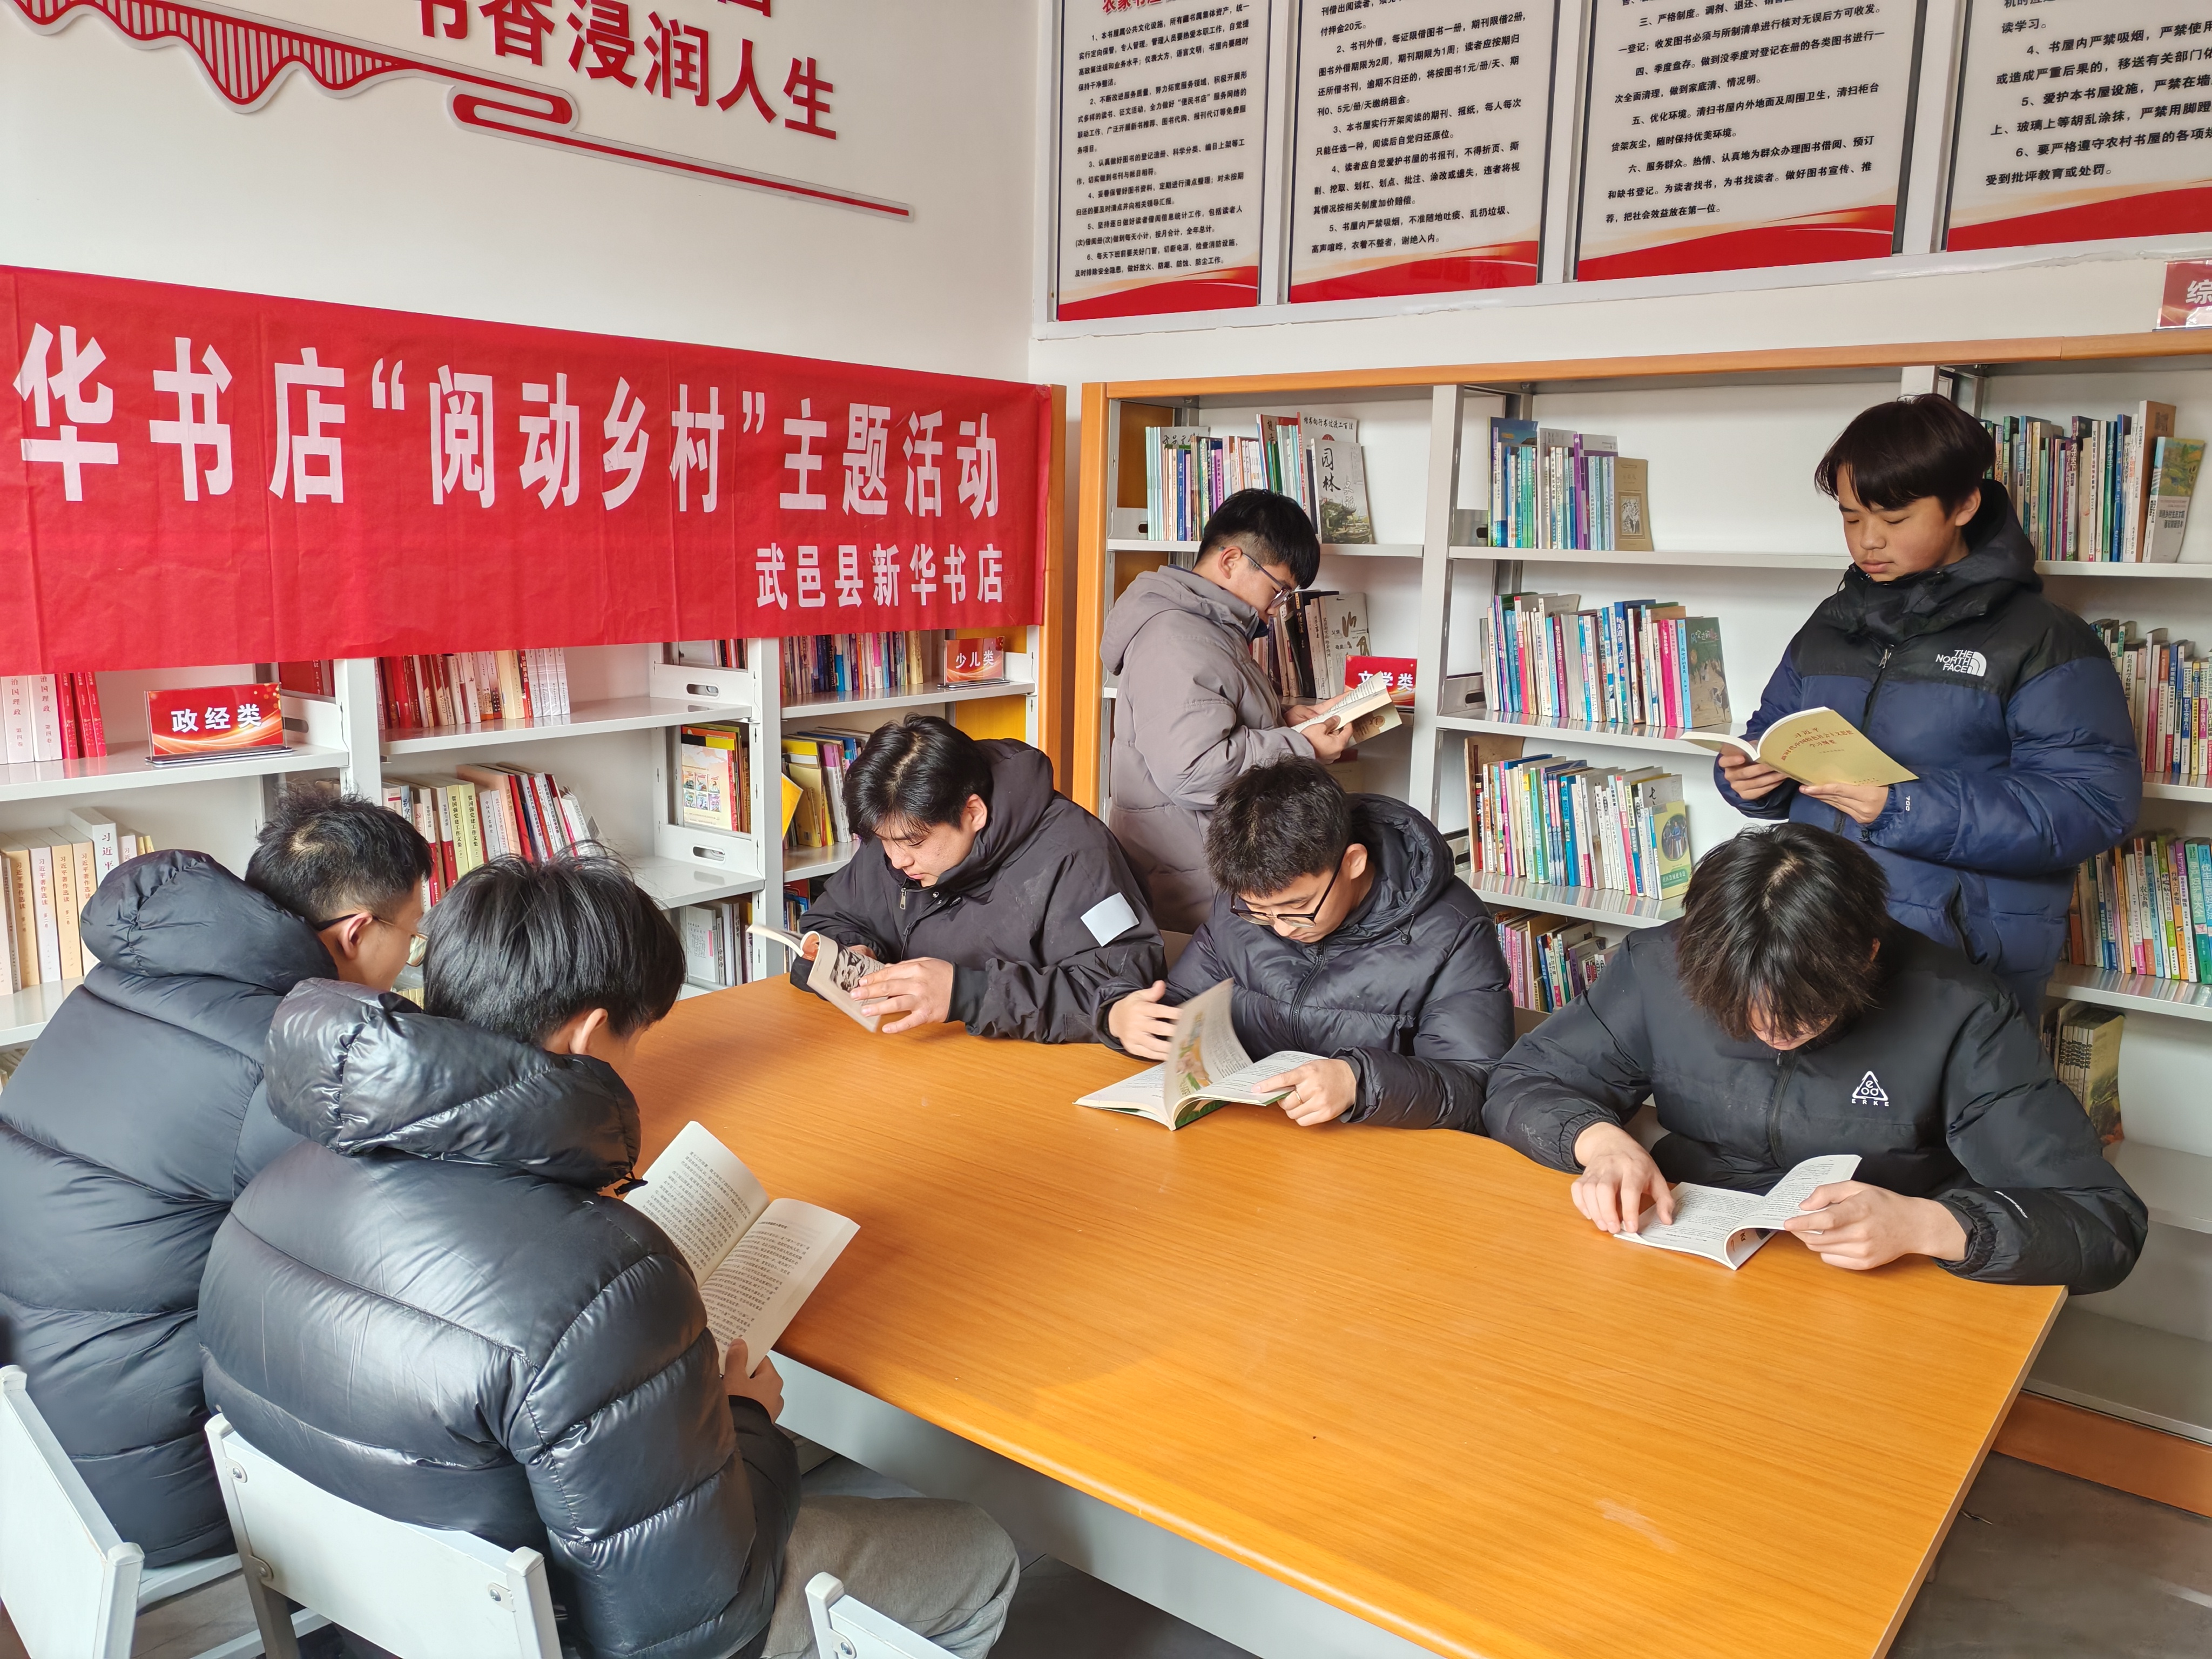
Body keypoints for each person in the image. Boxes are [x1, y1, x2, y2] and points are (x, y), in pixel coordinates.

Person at [200, 854, 1020, 1659]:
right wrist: (747, 1420)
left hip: (382, 1616)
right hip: (569, 1633)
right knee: (978, 1551)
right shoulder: (602, 1286)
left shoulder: (263, 1199)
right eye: (640, 1038)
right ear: (589, 1034)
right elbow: (692, 1623)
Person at [0, 791, 431, 1565]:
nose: (410, 956)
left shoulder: (124, 981)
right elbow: (398, 1237)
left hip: (32, 1441)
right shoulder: (283, 1056)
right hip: (146, 1473)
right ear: (357, 931)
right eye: (412, 933)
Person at [1482, 824, 2146, 1292]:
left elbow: (2103, 1223)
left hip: (1878, 1276)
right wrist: (1599, 1143)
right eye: (1738, 1009)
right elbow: (1521, 1081)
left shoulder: (1961, 1010)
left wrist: (1930, 1226)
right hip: (1688, 1256)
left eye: (1801, 1011)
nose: (1769, 1029)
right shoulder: (1657, 965)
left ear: (1867, 957)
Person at [1714, 393, 2139, 1011]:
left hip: (1952, 960)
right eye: (1851, 517)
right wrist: (1750, 779)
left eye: (1894, 519)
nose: (1868, 541)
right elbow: (1774, 734)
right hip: (1816, 930)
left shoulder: (2044, 640)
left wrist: (1904, 805)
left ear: (1963, 504)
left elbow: (2092, 804)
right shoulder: (1829, 625)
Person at [1106, 758, 1513, 1130]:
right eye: (1259, 912)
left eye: (1298, 907)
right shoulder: (1243, 904)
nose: (1281, 929)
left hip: (1375, 1146)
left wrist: (1360, 1082)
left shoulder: (1453, 930)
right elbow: (1184, 1006)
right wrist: (1123, 1018)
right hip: (1254, 1130)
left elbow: (1473, 1085)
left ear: (1353, 862)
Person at [792, 715, 1163, 1042]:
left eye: (914, 843)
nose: (897, 859)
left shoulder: (1077, 856)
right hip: (915, 1055)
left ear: (973, 812)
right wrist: (853, 952)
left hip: (1029, 1070)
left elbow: (1122, 989)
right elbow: (828, 922)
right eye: (882, 840)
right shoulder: (899, 830)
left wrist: (968, 994)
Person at [1100, 489, 1356, 933]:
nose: (1277, 610)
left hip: (1207, 866)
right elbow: (1194, 771)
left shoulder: (1209, 628)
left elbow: (1214, 725)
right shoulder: (1177, 638)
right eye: (1279, 591)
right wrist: (1302, 748)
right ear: (1232, 560)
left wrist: (1286, 723)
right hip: (1196, 881)